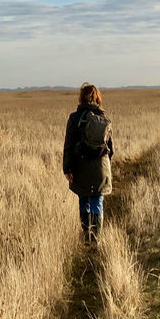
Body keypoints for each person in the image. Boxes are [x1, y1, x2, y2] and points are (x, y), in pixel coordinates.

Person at [62, 83, 114, 242]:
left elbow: (68, 145)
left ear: (81, 98)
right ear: (97, 97)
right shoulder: (104, 118)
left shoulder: (74, 117)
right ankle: (96, 238)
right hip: (100, 166)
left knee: (84, 199)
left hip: (80, 166)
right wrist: (105, 167)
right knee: (97, 201)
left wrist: (67, 168)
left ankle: (87, 235)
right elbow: (110, 149)